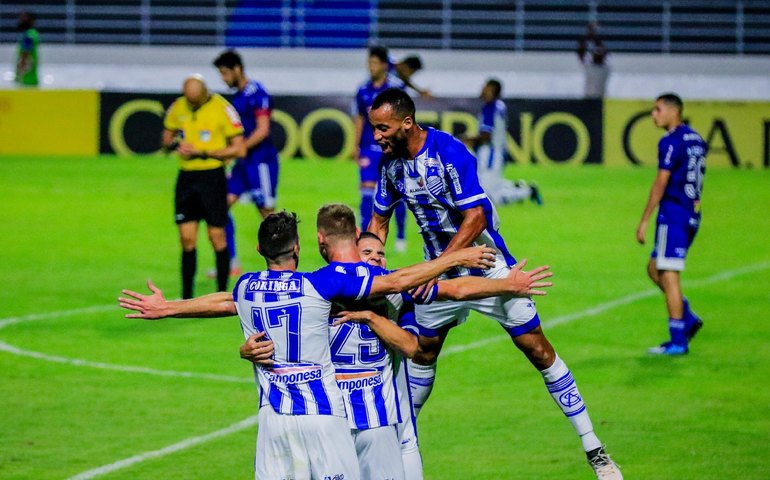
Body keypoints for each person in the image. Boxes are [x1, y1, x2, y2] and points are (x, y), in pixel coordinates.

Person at [120, 209, 498, 480]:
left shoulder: (246, 287)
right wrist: (456, 256)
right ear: (298, 247)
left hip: (274, 420)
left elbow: (221, 301)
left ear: (259, 250)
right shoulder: (319, 285)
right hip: (324, 417)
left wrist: (168, 307)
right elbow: (397, 282)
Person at [366, 88, 622, 480]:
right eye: (374, 129)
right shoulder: (391, 167)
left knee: (536, 349)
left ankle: (596, 451)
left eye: (382, 128)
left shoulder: (448, 153)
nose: (376, 137)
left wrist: (436, 266)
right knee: (423, 352)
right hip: (438, 271)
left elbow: (476, 218)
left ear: (406, 122)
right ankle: (401, 446)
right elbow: (378, 223)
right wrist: (366, 268)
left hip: (485, 263)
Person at [162, 75, 246, 298]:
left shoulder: (222, 109)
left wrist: (205, 152)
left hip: (213, 177)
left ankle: (221, 293)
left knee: (216, 236)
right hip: (187, 178)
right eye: (189, 100)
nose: (191, 104)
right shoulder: (178, 107)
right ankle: (187, 295)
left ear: (204, 93)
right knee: (187, 239)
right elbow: (166, 138)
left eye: (195, 101)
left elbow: (239, 149)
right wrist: (175, 145)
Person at [636, 93, 706, 356]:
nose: (654, 115)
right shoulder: (696, 139)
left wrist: (644, 220)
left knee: (668, 274)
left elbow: (661, 182)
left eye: (657, 110)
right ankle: (686, 317)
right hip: (692, 213)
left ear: (673, 111)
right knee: (654, 268)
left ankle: (678, 340)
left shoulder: (670, 141)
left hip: (674, 215)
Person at [211, 49, 280, 277]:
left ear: (237, 69)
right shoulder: (238, 97)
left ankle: (286, 262)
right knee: (219, 207)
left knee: (268, 215)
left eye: (224, 73)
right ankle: (230, 262)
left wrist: (240, 148)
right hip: (243, 164)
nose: (223, 79)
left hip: (260, 162)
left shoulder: (256, 92)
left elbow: (263, 130)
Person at [354, 46, 409, 252]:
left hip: (392, 148)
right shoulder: (363, 90)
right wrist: (356, 145)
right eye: (369, 62)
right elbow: (360, 118)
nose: (371, 67)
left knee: (398, 191)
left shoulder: (395, 89)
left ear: (385, 65)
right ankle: (366, 236)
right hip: (369, 147)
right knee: (367, 192)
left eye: (375, 63)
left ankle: (401, 234)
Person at [463, 78, 542, 206]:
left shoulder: (490, 108)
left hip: (491, 154)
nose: (482, 89)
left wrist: (467, 139)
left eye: (485, 87)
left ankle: (528, 191)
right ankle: (516, 186)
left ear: (492, 90)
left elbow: (486, 135)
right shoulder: (499, 106)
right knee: (482, 185)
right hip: (495, 151)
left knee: (491, 198)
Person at [577, 22, 610, 99]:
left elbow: (582, 54)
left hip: (596, 97)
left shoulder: (590, 68)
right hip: (592, 97)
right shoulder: (605, 69)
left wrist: (591, 35)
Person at [15, 11, 39, 87]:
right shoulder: (33, 33)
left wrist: (20, 72)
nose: (20, 20)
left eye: (23, 18)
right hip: (31, 76)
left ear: (31, 21)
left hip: (26, 79)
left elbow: (26, 52)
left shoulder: (28, 35)